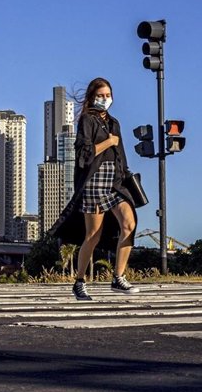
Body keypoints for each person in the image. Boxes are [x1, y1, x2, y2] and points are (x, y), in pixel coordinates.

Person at [50, 77, 140, 300]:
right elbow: (84, 155)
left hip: (115, 182)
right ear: (91, 97)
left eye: (108, 95)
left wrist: (126, 175)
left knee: (129, 224)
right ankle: (79, 281)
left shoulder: (113, 122)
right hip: (94, 182)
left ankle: (118, 277)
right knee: (93, 235)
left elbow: (121, 154)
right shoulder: (87, 121)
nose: (105, 99)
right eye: (100, 95)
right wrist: (108, 142)